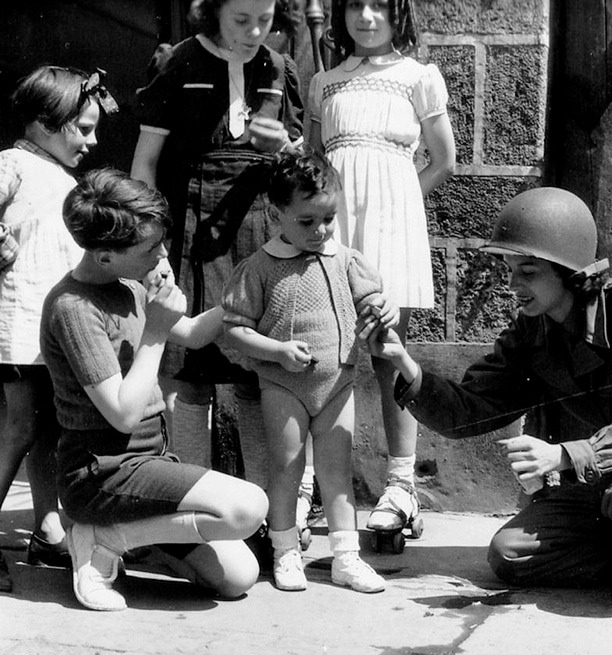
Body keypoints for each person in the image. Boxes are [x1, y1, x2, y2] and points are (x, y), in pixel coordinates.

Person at [365, 187, 612, 655]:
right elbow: (470, 407)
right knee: (511, 554)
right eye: (511, 271)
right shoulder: (533, 331)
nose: (514, 284)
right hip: (605, 484)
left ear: (570, 274)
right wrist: (404, 364)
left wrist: (565, 454)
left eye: (528, 271)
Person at [40, 168, 268, 612]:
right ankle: (100, 537)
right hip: (100, 473)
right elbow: (123, 415)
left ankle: (134, 541)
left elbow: (196, 333)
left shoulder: (129, 287)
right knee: (247, 508)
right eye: (149, 248)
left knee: (240, 576)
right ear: (105, 256)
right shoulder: (73, 308)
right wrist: (156, 333)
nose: (162, 254)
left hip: (146, 464)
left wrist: (250, 289)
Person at [130, 0, 304, 487]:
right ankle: (195, 506)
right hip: (189, 227)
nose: (254, 32)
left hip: (255, 229)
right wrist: (152, 241)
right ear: (213, 12)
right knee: (191, 377)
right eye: (240, 20)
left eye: (264, 21)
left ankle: (267, 511)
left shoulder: (277, 68)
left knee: (256, 375)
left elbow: (298, 170)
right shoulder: (179, 63)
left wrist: (284, 149)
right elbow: (145, 163)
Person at [308, 0, 456, 536]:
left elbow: (442, 160)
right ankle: (312, 486)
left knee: (387, 349)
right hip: (333, 228)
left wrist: (398, 206)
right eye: (356, 6)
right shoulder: (324, 82)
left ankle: (401, 484)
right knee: (320, 348)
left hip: (392, 229)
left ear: (399, 14)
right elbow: (313, 166)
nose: (367, 17)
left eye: (380, 6)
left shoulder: (419, 77)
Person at [221, 150, 397, 593]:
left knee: (337, 472)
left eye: (329, 219)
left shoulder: (344, 260)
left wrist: (384, 308)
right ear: (275, 213)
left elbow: (372, 302)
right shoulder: (260, 267)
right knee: (287, 469)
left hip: (337, 382)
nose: (320, 231)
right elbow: (236, 330)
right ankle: (285, 553)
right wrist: (276, 350)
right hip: (283, 384)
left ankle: (346, 558)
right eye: (306, 221)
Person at [0, 65, 116, 593]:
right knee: (20, 427)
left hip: (51, 328)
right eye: (83, 129)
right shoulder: (13, 165)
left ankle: (48, 529)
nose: (92, 141)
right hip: (18, 324)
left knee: (50, 428)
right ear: (45, 123)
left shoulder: (65, 180)